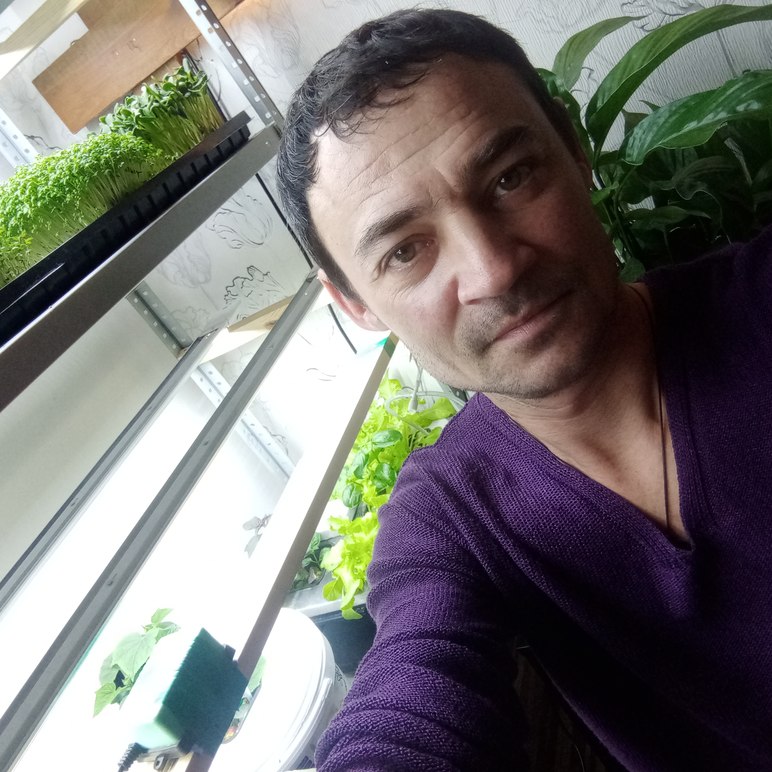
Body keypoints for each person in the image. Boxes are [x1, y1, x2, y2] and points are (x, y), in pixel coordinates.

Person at [276, 8, 772, 771]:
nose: (493, 269)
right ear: (355, 303)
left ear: (574, 152)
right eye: (405, 251)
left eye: (510, 178)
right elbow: (413, 692)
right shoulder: (452, 520)